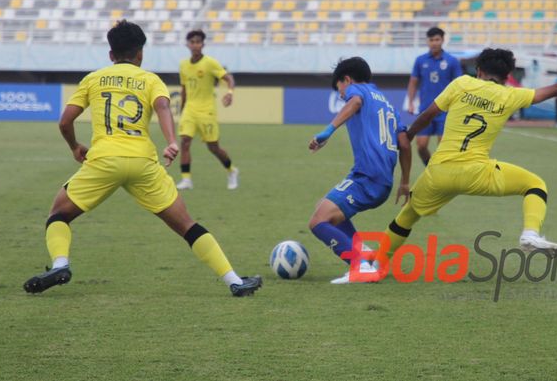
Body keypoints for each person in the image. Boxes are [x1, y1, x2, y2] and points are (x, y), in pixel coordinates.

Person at [23, 21, 261, 297]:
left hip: (104, 160)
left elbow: (65, 122)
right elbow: (162, 106)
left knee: (58, 214)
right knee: (187, 226)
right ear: (140, 54)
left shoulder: (94, 79)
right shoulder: (150, 79)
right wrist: (171, 141)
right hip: (143, 163)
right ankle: (233, 280)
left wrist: (75, 146)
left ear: (111, 55)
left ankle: (61, 263)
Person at [381, 49, 557, 258]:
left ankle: (377, 262)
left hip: (439, 171)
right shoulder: (510, 95)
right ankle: (530, 233)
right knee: (535, 185)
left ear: (479, 70)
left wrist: (410, 134)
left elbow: (429, 113)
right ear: (508, 77)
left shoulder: (461, 84)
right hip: (478, 173)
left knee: (408, 215)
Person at [308, 57, 412, 284]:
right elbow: (404, 143)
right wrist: (404, 181)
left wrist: (328, 131)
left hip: (368, 176)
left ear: (347, 79)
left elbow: (354, 102)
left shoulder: (357, 91)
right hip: (382, 181)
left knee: (317, 221)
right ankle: (364, 256)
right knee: (325, 207)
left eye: (340, 90)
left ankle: (360, 266)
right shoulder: (388, 104)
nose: (341, 95)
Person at [176, 29, 239, 190]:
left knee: (213, 147)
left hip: (206, 111)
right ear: (187, 44)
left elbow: (228, 78)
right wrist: (182, 109)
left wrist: (230, 93)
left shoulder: (210, 63)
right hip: (190, 110)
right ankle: (186, 179)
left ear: (203, 44)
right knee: (184, 142)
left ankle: (231, 170)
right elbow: (184, 89)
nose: (195, 45)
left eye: (198, 42)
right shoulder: (183, 65)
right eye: (192, 42)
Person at [407, 27, 462, 165]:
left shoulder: (452, 61)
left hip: (445, 111)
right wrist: (410, 102)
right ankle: (431, 167)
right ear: (427, 41)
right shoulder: (420, 60)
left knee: (443, 147)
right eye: (431, 40)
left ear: (442, 40)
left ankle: (442, 175)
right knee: (421, 146)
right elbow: (413, 82)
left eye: (437, 39)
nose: (434, 43)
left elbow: (460, 85)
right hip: (426, 110)